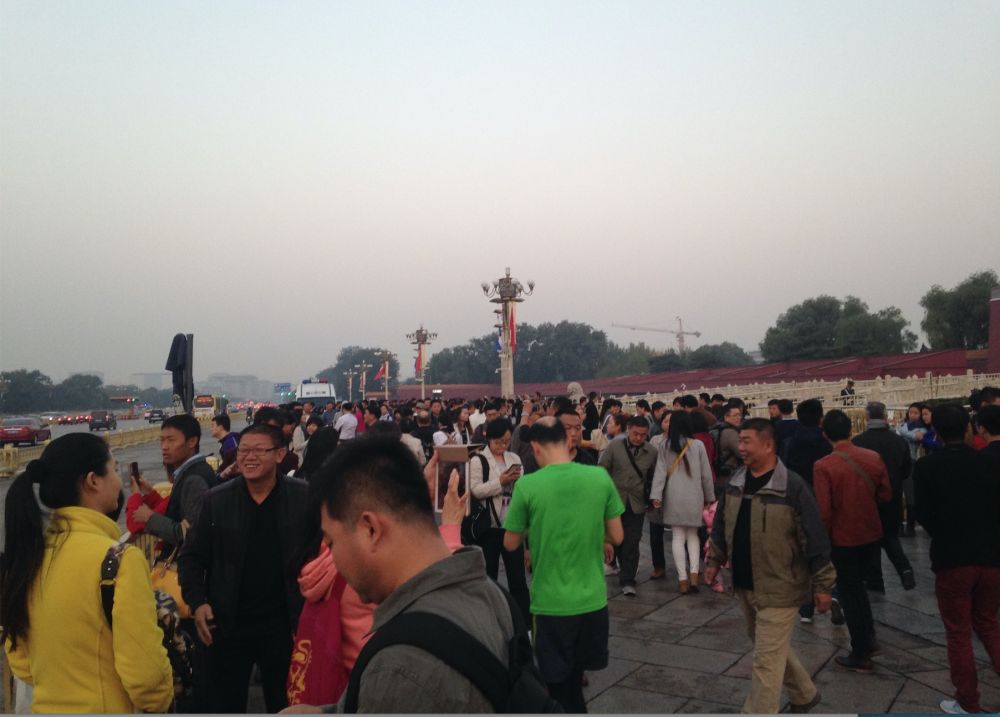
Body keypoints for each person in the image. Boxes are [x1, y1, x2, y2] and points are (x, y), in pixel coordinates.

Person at [309, 437, 515, 712]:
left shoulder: (398, 668)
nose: (333, 557)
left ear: (370, 529)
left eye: (331, 542)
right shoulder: (493, 596)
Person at [1, 433, 173, 713]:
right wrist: (162, 699)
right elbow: (146, 676)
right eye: (114, 469)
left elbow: (22, 664)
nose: (118, 480)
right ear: (93, 481)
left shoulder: (27, 558)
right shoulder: (120, 560)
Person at [705, 419, 835, 714]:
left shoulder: (792, 487)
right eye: (740, 441)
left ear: (768, 445)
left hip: (781, 586)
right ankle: (804, 694)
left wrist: (824, 585)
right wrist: (713, 560)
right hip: (745, 582)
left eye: (746, 441)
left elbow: (815, 538)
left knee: (765, 659)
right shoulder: (736, 482)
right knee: (767, 645)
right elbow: (722, 525)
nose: (740, 448)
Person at [178, 424, 312, 713]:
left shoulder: (303, 498)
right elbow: (191, 557)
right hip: (228, 625)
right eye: (243, 450)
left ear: (279, 454)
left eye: (258, 450)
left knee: (287, 703)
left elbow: (319, 555)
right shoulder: (217, 500)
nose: (249, 457)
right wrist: (198, 602)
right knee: (225, 703)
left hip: (285, 626)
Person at [503, 417, 624, 713]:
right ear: (566, 439)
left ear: (535, 447)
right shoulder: (598, 477)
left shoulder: (528, 485)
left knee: (557, 687)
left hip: (551, 605)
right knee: (574, 681)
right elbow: (617, 536)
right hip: (593, 601)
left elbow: (510, 543)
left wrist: (536, 525)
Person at [915, 404, 1000, 715]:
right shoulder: (988, 462)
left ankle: (968, 701)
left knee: (958, 631)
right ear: (968, 429)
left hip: (952, 558)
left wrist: (944, 531)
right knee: (989, 624)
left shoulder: (927, 467)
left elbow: (922, 513)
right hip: (992, 556)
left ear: (936, 431)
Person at [813, 409, 892, 673]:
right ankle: (869, 638)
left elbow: (824, 511)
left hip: (842, 538)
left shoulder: (823, 466)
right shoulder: (872, 457)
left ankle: (861, 650)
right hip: (870, 532)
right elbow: (886, 494)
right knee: (861, 589)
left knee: (850, 592)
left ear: (825, 434)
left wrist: (821, 542)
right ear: (850, 430)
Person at [468, 418, 530, 621]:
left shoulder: (514, 458)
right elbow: (475, 490)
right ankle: (489, 619)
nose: (503, 446)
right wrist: (500, 482)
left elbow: (523, 488)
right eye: (499, 442)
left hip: (512, 524)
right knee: (489, 576)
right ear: (489, 439)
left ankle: (524, 621)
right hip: (489, 526)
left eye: (506, 441)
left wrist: (516, 483)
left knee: (517, 577)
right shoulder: (478, 460)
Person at [852, 402, 916, 592]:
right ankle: (904, 569)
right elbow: (906, 470)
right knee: (890, 536)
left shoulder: (858, 442)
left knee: (872, 539)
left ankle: (875, 580)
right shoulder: (898, 441)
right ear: (885, 417)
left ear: (866, 418)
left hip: (867, 498)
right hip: (892, 496)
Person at [650, 411, 715, 594]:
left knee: (678, 537)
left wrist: (656, 495)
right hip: (695, 496)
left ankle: (682, 580)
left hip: (674, 496)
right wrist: (710, 497)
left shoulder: (665, 445)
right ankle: (694, 575)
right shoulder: (698, 445)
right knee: (693, 536)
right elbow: (706, 474)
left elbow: (660, 472)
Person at [136, 413, 215, 559]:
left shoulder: (195, 480)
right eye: (162, 440)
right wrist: (150, 493)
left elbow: (191, 535)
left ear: (192, 442)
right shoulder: (194, 471)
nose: (164, 447)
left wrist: (149, 518)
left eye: (171, 440)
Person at [599, 416, 656, 597]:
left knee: (632, 541)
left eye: (643, 435)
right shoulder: (615, 446)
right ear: (628, 430)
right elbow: (602, 468)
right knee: (616, 539)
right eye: (635, 434)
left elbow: (653, 477)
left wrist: (652, 497)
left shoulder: (651, 452)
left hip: (636, 503)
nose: (639, 438)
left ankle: (628, 579)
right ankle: (615, 564)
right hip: (614, 501)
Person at [896, 402, 926, 536]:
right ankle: (899, 525)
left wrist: (900, 429)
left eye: (916, 413)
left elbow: (914, 437)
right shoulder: (905, 426)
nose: (912, 415)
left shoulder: (922, 429)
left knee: (910, 495)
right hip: (898, 461)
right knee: (897, 494)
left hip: (911, 461)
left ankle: (910, 525)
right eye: (911, 412)